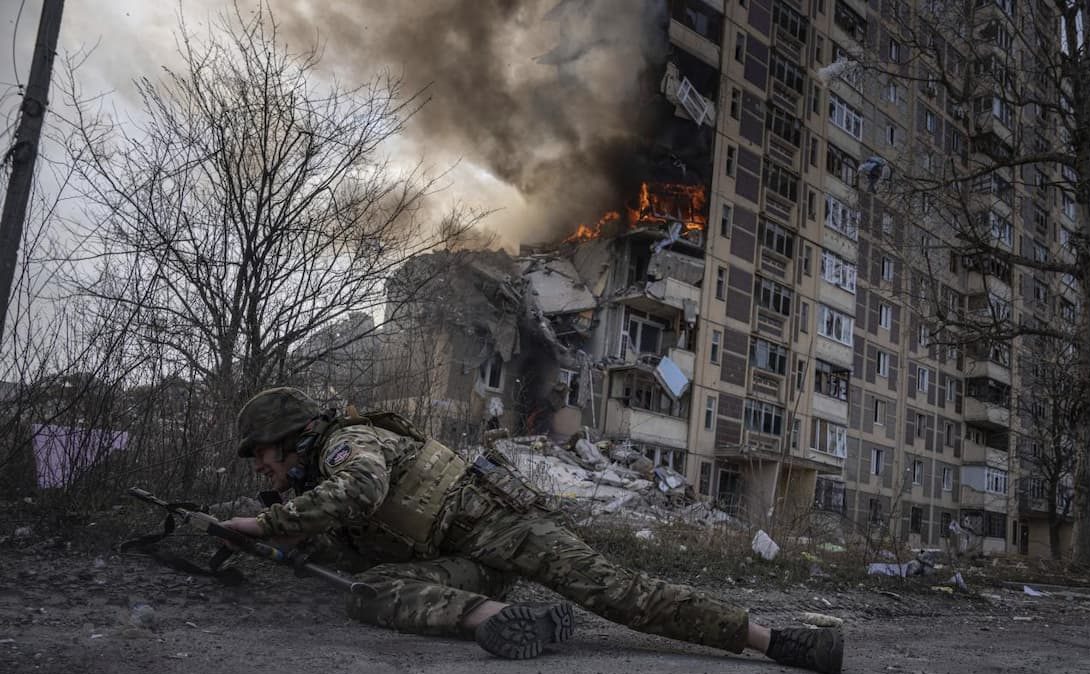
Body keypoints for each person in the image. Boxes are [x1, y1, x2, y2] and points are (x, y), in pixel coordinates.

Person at [221, 387, 843, 673]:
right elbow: (361, 546)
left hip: (506, 529)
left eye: (263, 453)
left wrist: (266, 521)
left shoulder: (344, 445)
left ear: (295, 438)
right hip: (467, 568)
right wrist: (279, 539)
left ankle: (776, 642)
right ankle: (493, 619)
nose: (261, 466)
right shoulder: (314, 483)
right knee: (365, 591)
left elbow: (362, 488)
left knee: (619, 593)